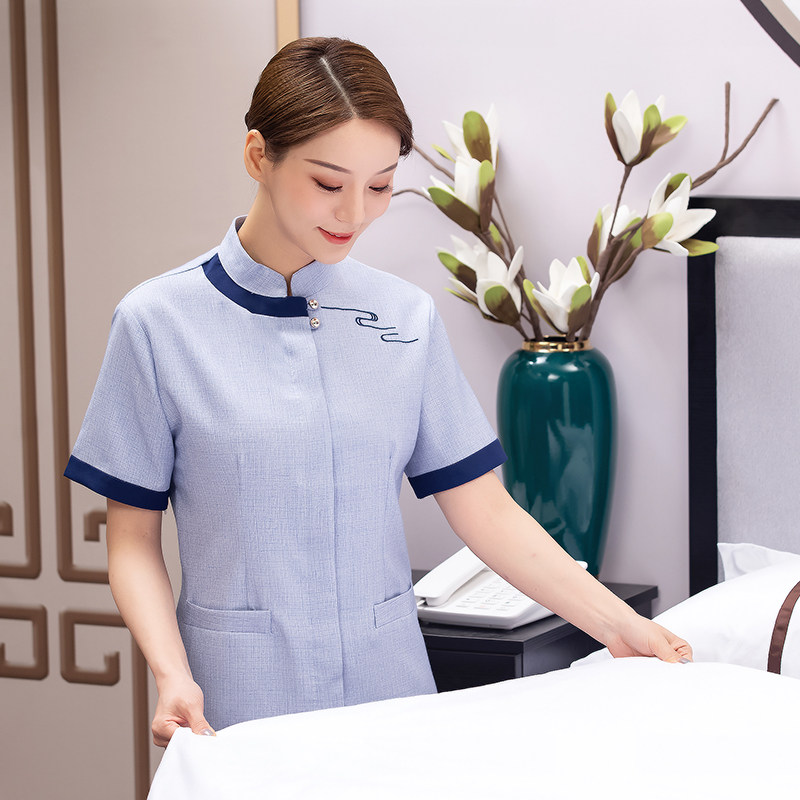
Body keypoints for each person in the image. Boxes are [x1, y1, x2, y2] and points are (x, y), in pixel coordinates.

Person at [65, 37, 691, 747]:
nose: (355, 214)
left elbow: (485, 510)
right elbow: (132, 541)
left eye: (381, 186)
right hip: (234, 705)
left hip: (390, 697)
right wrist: (171, 673)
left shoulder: (404, 319)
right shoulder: (157, 323)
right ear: (258, 156)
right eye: (328, 184)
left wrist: (621, 626)